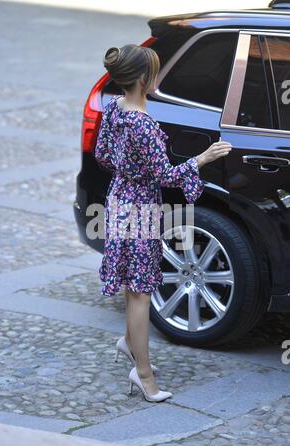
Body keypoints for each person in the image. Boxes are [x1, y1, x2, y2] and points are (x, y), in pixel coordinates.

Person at [94, 44, 232, 402]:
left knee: (130, 284)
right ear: (144, 79)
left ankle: (129, 342)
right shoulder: (144, 125)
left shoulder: (113, 110)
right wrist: (204, 157)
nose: (157, 77)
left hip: (118, 199)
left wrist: (130, 172)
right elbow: (167, 176)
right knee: (140, 291)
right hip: (140, 207)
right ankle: (143, 373)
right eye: (154, 71)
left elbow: (103, 155)